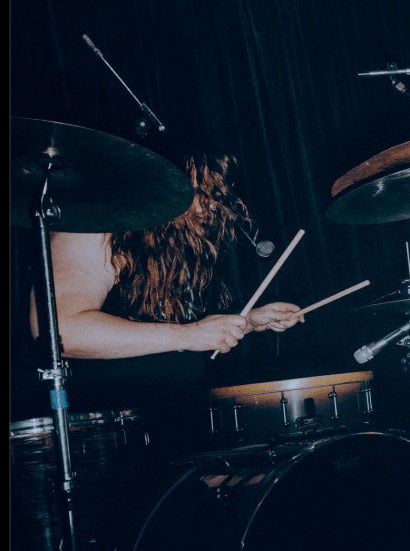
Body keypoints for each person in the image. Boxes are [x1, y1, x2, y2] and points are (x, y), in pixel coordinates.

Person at [28, 151, 305, 457]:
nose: (211, 205)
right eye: (199, 192)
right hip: (102, 437)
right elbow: (59, 330)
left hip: (181, 425)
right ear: (156, 181)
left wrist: (246, 322)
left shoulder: (176, 247)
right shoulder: (98, 227)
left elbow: (177, 334)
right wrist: (190, 334)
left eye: (216, 194)